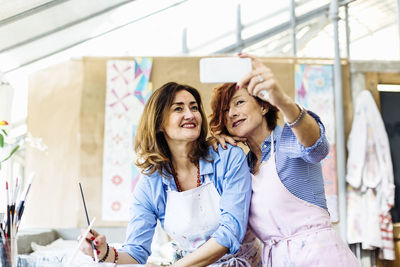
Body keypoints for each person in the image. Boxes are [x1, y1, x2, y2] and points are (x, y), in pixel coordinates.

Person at [80, 82, 262, 266]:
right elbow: (135, 252)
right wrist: (105, 252)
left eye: (194, 107)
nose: (190, 115)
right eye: (178, 109)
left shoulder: (227, 157)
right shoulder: (151, 183)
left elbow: (230, 232)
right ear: (159, 122)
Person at [209, 54, 360, 267]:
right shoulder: (242, 166)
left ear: (264, 106)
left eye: (239, 102)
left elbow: (318, 147)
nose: (232, 113)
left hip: (321, 258)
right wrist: (212, 146)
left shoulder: (290, 138)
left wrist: (281, 99)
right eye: (225, 110)